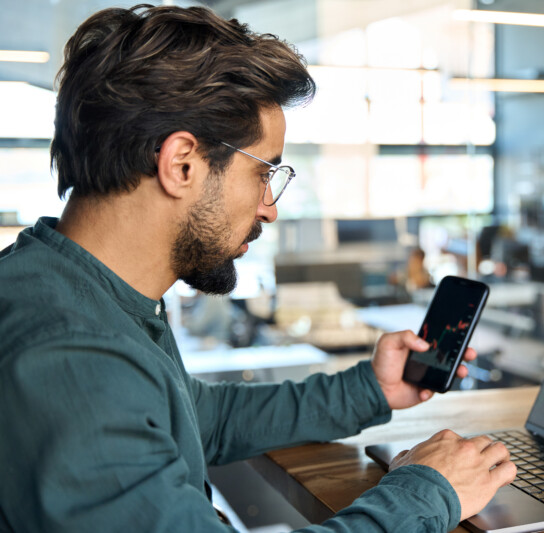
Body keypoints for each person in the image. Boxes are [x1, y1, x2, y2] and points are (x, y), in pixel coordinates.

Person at [0, 5, 515, 532]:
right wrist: (428, 491)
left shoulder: (74, 289)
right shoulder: (71, 357)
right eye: (265, 171)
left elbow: (204, 421)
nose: (270, 205)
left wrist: (369, 390)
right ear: (182, 164)